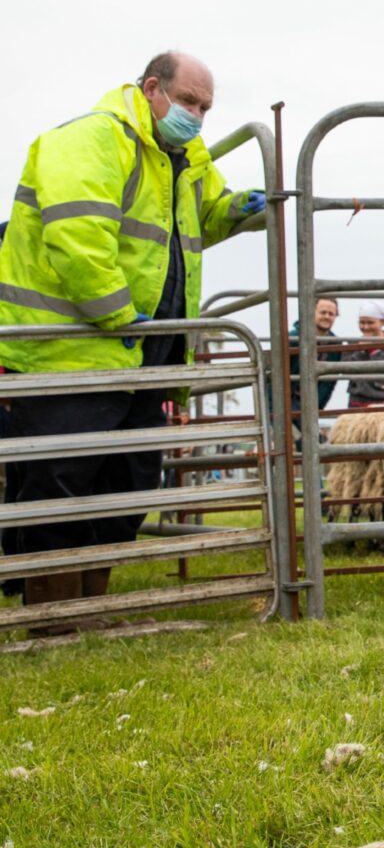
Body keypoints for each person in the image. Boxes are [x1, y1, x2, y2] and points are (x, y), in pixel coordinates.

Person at [0, 51, 265, 627]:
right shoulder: (91, 139)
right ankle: (50, 612)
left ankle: (94, 603)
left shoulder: (186, 156)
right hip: (71, 349)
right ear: (152, 88)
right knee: (61, 479)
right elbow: (77, 235)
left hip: (148, 352)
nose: (196, 116)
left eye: (206, 107)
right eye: (189, 101)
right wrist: (120, 315)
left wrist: (242, 210)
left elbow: (201, 219)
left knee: (129, 478)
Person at [342, 301, 384, 407]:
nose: (365, 327)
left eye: (370, 323)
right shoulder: (352, 345)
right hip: (356, 404)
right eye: (362, 322)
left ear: (382, 321)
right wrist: (361, 351)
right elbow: (344, 370)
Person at [289, 296, 343, 416]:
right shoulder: (294, 338)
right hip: (288, 402)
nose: (327, 317)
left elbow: (330, 382)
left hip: (312, 405)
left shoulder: (336, 345)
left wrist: (318, 407)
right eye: (323, 312)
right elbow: (275, 376)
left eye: (331, 314)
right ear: (311, 312)